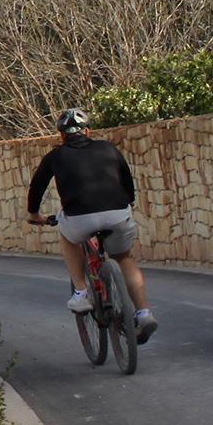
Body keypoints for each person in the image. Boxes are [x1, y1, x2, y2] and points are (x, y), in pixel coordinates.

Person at [25, 108, 157, 343]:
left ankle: (81, 292)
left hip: (79, 218)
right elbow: (128, 182)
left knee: (68, 238)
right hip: (118, 212)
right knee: (124, 258)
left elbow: (37, 188)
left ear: (62, 136)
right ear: (88, 131)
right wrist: (127, 204)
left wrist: (35, 215)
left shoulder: (56, 155)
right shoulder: (108, 148)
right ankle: (144, 313)